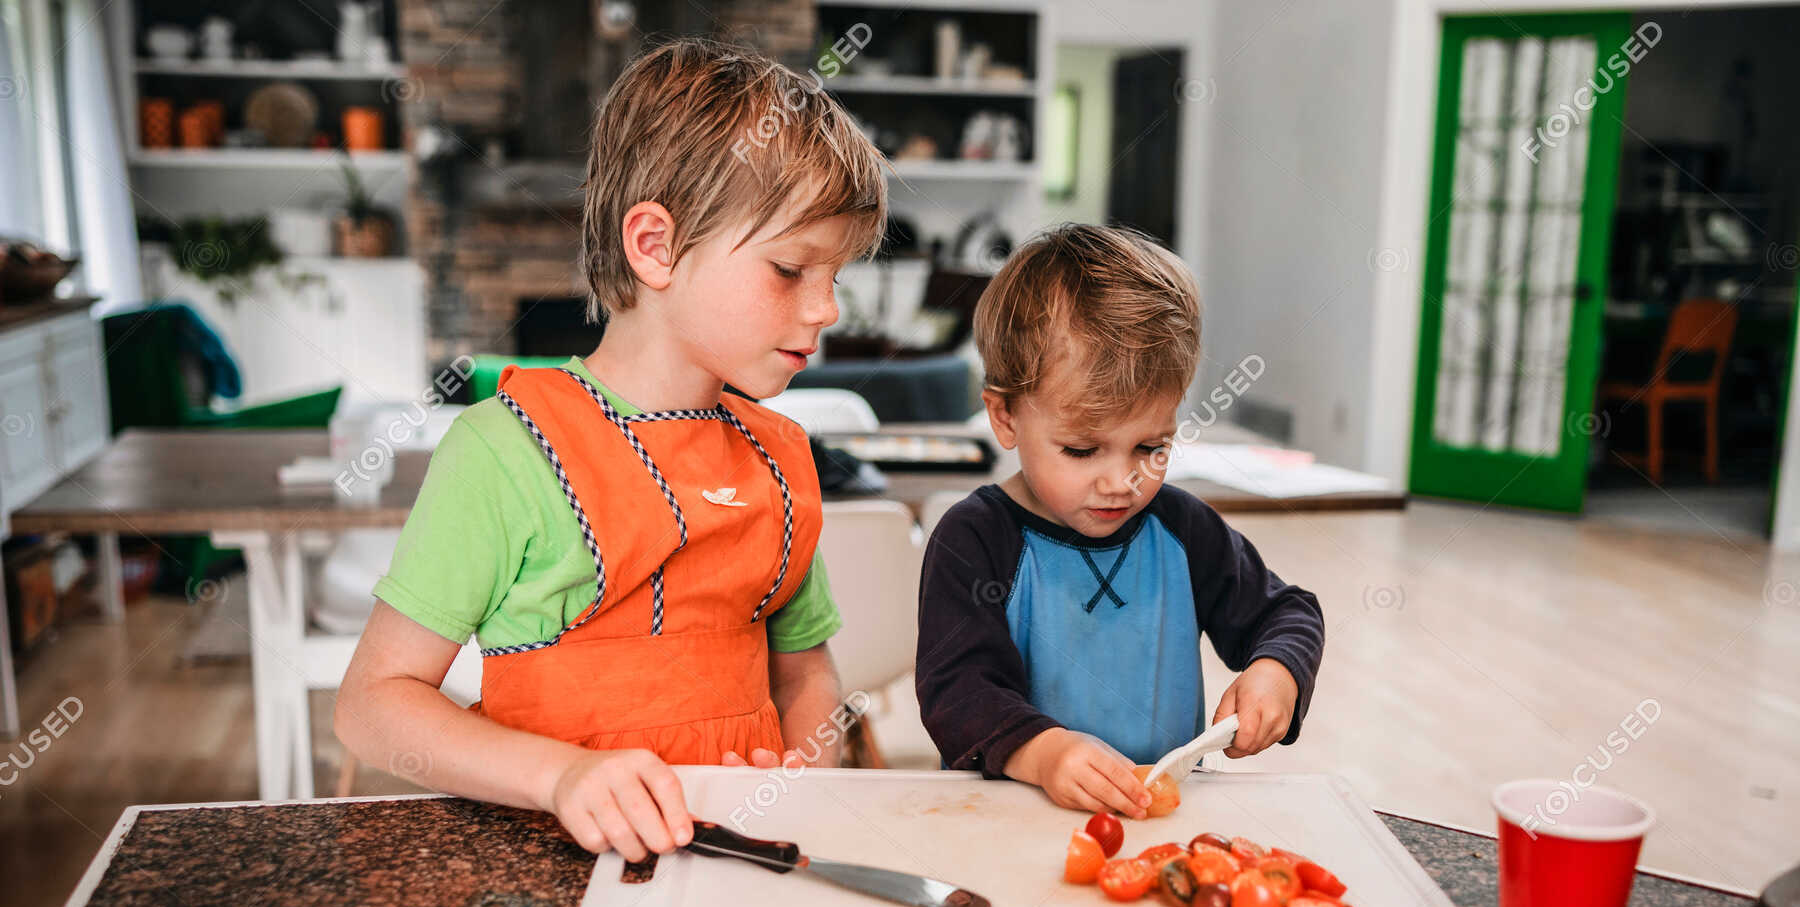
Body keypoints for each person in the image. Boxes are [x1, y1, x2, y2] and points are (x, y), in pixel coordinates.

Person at [335, 39, 887, 860]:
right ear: (655, 246)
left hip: (739, 866)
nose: (828, 309)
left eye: (836, 276)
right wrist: (560, 778)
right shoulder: (504, 453)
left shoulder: (783, 462)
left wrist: (802, 778)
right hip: (535, 867)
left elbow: (804, 675)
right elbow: (372, 706)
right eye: (791, 270)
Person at [915, 224, 1325, 818]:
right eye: (1082, 451)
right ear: (1004, 416)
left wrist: (1277, 671)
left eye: (1150, 447)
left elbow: (1287, 612)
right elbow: (957, 691)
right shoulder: (974, 539)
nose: (1120, 483)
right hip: (1009, 814)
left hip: (1157, 816)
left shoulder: (1182, 529)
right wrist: (1046, 752)